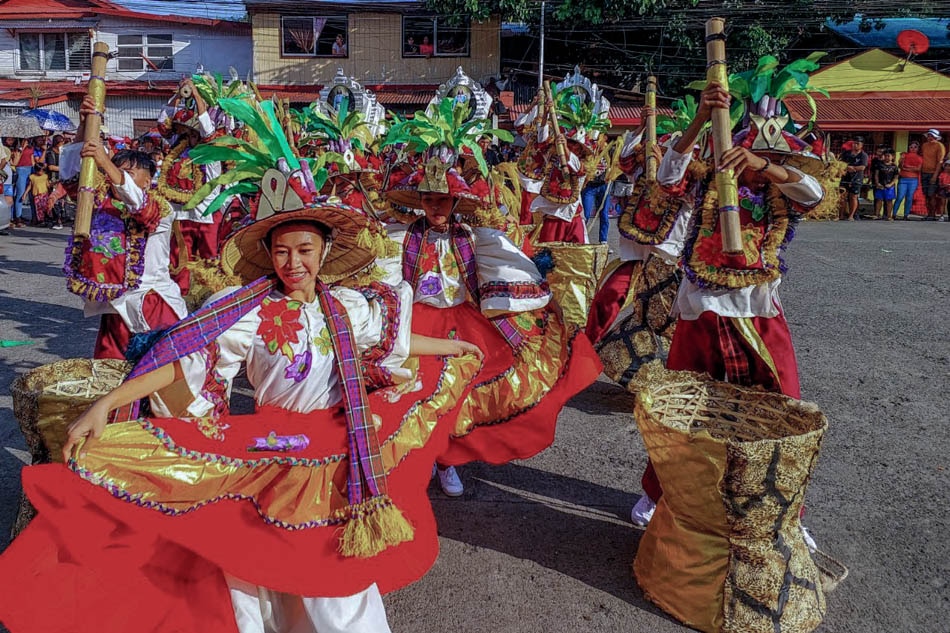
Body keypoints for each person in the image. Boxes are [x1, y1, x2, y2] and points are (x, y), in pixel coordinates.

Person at [0, 120, 483, 632]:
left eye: (304, 250)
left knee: (337, 592)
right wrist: (107, 403)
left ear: (323, 252)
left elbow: (396, 340)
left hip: (338, 452)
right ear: (268, 254)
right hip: (272, 452)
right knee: (260, 583)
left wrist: (456, 345)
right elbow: (179, 361)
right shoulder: (244, 310)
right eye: (281, 251)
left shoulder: (346, 306)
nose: (293, 262)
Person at [632, 82, 825, 534]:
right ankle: (659, 497)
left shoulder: (781, 191)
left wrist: (767, 167)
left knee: (782, 415)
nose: (759, 168)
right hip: (701, 312)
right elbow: (665, 179)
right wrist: (702, 118)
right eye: (752, 157)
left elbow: (813, 192)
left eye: (771, 159)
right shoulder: (705, 183)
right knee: (685, 412)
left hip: (759, 315)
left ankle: (785, 519)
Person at [384, 101, 602, 496]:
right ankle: (421, 459)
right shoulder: (400, 237)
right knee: (415, 396)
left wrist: (540, 296)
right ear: (420, 201)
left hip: (459, 319)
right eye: (429, 199)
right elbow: (380, 275)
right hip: (416, 323)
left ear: (455, 203)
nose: (436, 206)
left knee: (459, 399)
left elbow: (509, 262)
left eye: (443, 200)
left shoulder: (472, 237)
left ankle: (447, 461)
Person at [61, 95, 187, 360]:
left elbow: (140, 207)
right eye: (118, 172)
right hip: (114, 308)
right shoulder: (100, 201)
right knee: (111, 377)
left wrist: (106, 162)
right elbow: (73, 178)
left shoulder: (160, 207)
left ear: (148, 180)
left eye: (130, 173)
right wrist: (84, 126)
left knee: (156, 377)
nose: (118, 178)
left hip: (152, 303)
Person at [839, 136, 867, 221]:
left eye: (857, 144)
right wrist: (847, 167)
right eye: (854, 143)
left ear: (861, 145)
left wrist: (853, 168)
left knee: (853, 197)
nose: (855, 145)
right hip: (845, 177)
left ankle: (851, 215)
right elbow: (840, 163)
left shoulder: (863, 155)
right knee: (842, 196)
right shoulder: (846, 153)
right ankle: (841, 215)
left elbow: (863, 167)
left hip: (856, 178)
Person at [920, 129, 946, 220]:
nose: (930, 137)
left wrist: (935, 175)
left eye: (932, 135)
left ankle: (932, 214)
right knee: (926, 194)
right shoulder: (924, 145)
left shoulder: (939, 146)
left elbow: (940, 161)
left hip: (933, 173)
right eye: (929, 135)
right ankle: (928, 213)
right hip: (924, 172)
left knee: (932, 194)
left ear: (936, 137)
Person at [895, 140, 922, 220]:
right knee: (899, 197)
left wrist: (907, 168)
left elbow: (918, 169)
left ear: (918, 148)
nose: (913, 149)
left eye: (915, 147)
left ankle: (906, 215)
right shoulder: (904, 155)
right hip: (903, 179)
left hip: (913, 180)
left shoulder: (919, 158)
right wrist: (904, 163)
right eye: (911, 147)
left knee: (909, 197)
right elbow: (901, 166)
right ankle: (893, 214)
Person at [12, 137, 35, 226]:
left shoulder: (30, 147)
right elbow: (15, 162)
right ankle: (18, 217)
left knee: (30, 193)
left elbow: (32, 160)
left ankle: (34, 217)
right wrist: (22, 149)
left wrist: (34, 170)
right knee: (20, 193)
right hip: (20, 168)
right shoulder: (17, 148)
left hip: (30, 168)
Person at [873, 148, 899, 221]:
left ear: (892, 157)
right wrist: (877, 183)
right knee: (879, 200)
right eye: (886, 156)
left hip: (890, 187)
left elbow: (896, 177)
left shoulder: (894, 166)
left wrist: (891, 184)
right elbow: (876, 174)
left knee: (889, 201)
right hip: (881, 185)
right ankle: (877, 214)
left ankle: (889, 216)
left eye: (889, 156)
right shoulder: (879, 165)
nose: (887, 157)